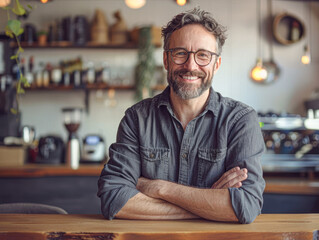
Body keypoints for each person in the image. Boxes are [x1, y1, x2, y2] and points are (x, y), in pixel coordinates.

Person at [97, 7, 265, 224]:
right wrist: (210, 205)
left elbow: (246, 205)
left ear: (216, 65)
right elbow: (114, 199)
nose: (191, 65)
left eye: (203, 55)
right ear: (166, 60)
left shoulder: (240, 120)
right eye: (180, 53)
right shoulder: (136, 118)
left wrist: (159, 188)